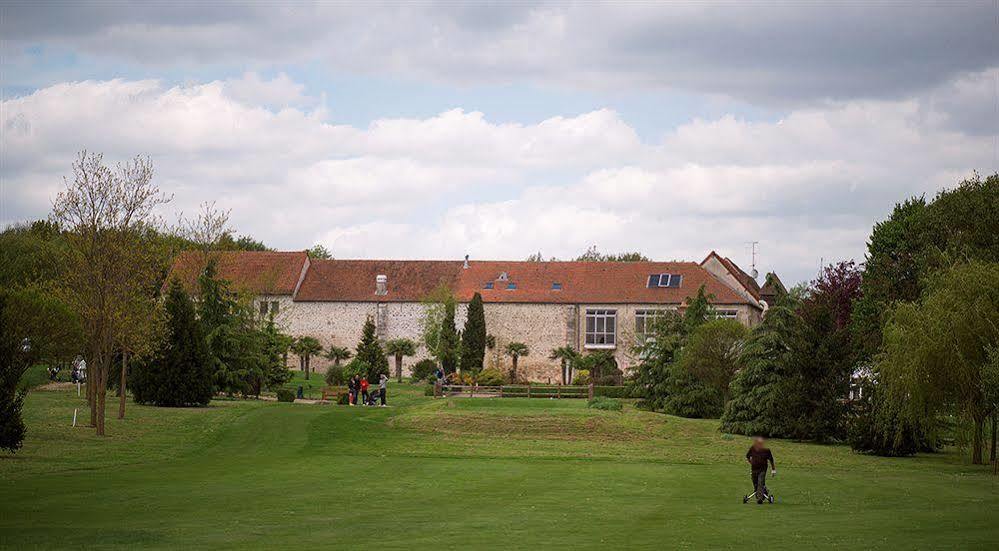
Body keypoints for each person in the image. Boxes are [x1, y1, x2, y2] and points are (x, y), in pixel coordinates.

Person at [746, 436, 776, 504]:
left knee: (760, 482)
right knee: (755, 484)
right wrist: (751, 463)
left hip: (763, 469)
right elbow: (748, 456)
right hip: (754, 469)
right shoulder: (752, 449)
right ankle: (764, 492)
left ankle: (760, 499)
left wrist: (773, 469)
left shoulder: (766, 450)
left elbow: (771, 460)